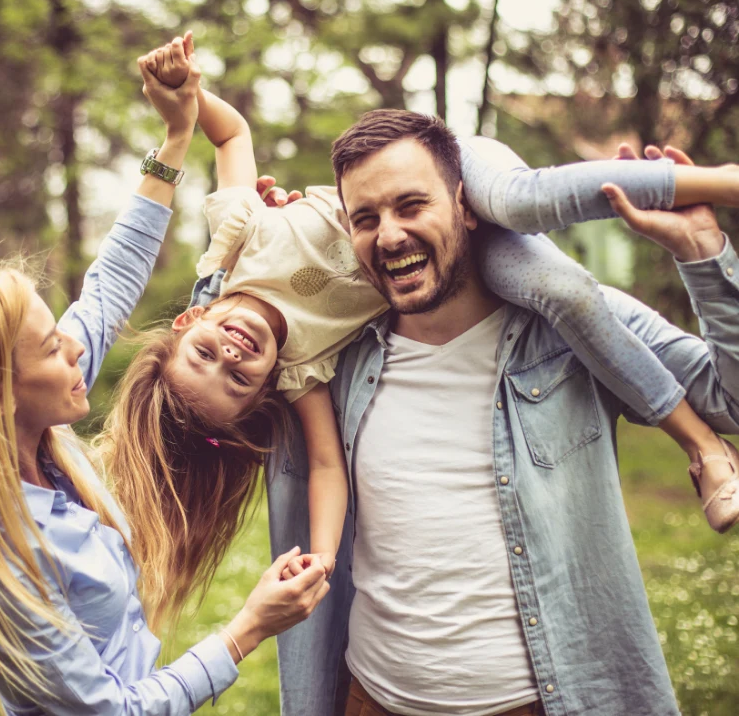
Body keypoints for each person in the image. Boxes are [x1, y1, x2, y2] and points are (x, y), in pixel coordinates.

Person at [113, 32, 738, 618]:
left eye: (204, 354)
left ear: (191, 319)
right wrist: (324, 556)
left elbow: (231, 138)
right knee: (561, 290)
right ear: (263, 389)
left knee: (521, 201)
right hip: (448, 245)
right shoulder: (303, 369)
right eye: (238, 381)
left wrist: (187, 102)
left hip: (440, 165)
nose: (232, 355)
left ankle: (723, 182)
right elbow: (328, 467)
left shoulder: (238, 238)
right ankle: (702, 444)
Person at [0, 48, 329, 716]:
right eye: (51, 345)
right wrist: (247, 630)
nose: (76, 342)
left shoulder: (39, 411)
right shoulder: (2, 558)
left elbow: (110, 284)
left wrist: (175, 138)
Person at [259, 111, 739, 716]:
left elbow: (730, 401)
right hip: (371, 698)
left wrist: (703, 253)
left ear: (466, 206)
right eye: (366, 218)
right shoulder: (337, 359)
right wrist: (249, 262)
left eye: (411, 206)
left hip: (541, 702)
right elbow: (215, 382)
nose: (389, 235)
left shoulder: (578, 329)